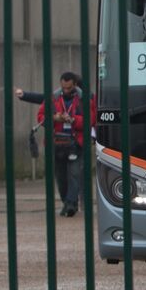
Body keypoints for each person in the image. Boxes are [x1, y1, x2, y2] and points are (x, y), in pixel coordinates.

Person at [36, 71, 87, 216]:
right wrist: (54, 118)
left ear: (75, 85)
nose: (65, 91)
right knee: (61, 177)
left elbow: (90, 119)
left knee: (74, 173)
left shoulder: (84, 99)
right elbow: (40, 116)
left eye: (69, 88)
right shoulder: (53, 98)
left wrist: (73, 120)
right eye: (63, 88)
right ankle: (67, 201)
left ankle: (71, 204)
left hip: (76, 142)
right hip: (57, 142)